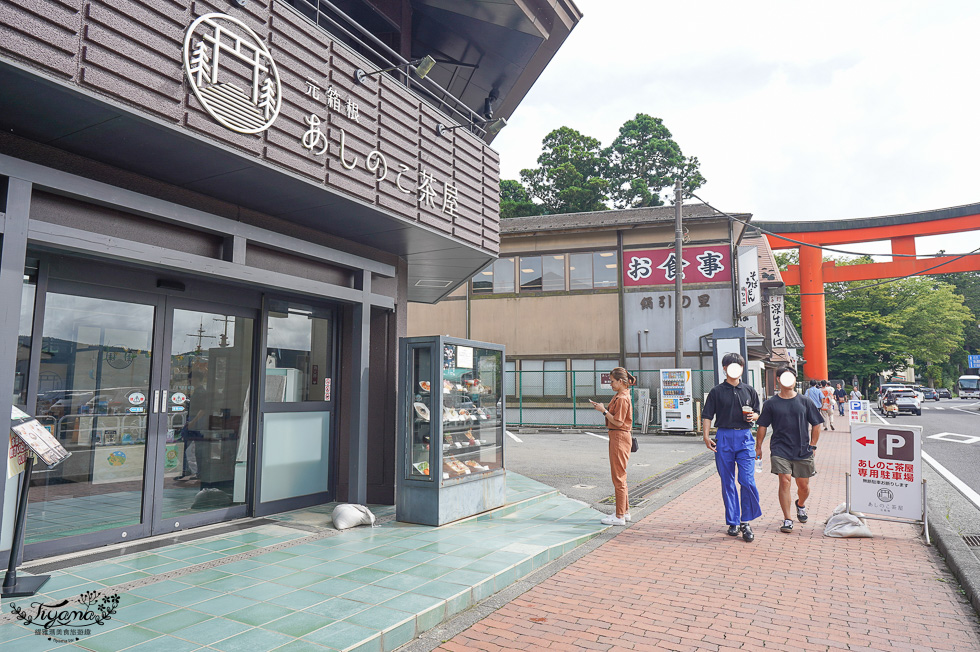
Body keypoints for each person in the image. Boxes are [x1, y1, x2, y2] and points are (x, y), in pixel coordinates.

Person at [702, 353, 762, 542]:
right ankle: (733, 521)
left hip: (745, 438)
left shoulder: (750, 390)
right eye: (731, 365)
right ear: (725, 368)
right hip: (724, 437)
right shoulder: (716, 391)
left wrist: (755, 417)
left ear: (742, 369)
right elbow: (707, 415)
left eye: (738, 366)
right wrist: (705, 436)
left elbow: (758, 412)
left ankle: (746, 520)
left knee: (747, 480)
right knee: (727, 481)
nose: (735, 369)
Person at [755, 366, 822, 534]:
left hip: (802, 449)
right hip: (780, 448)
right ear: (778, 380)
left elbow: (816, 423)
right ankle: (787, 518)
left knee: (803, 486)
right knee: (784, 480)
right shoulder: (771, 403)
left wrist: (813, 444)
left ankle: (800, 504)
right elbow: (762, 425)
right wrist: (758, 447)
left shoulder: (804, 401)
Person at [591, 367, 636, 526]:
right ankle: (624, 512)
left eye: (612, 381)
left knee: (618, 477)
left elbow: (618, 421)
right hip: (619, 436)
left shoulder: (622, 398)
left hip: (619, 436)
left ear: (621, 381)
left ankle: (619, 516)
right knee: (621, 476)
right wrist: (603, 409)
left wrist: (603, 411)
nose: (610, 384)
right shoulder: (621, 395)